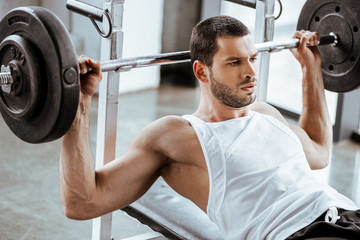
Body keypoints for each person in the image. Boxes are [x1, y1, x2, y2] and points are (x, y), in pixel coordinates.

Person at [60, 16, 360, 239]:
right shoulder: (177, 135)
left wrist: (311, 69)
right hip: (298, 233)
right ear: (202, 70)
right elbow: (83, 202)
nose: (251, 72)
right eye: (234, 62)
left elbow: (318, 152)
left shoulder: (265, 113)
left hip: (347, 215)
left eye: (253, 58)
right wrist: (79, 102)